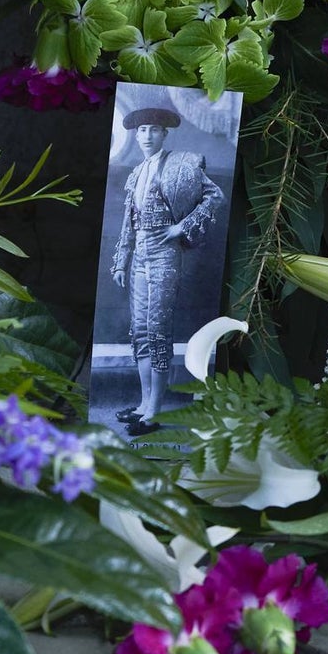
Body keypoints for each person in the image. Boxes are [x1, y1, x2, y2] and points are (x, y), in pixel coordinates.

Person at [110, 106, 224, 435]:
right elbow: (129, 222)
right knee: (139, 331)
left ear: (164, 134)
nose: (147, 135)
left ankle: (154, 412)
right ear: (136, 135)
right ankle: (144, 404)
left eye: (153, 130)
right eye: (142, 130)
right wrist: (121, 261)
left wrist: (181, 227)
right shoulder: (136, 173)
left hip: (164, 255)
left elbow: (214, 196)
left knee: (157, 330)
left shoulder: (182, 164)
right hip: (139, 257)